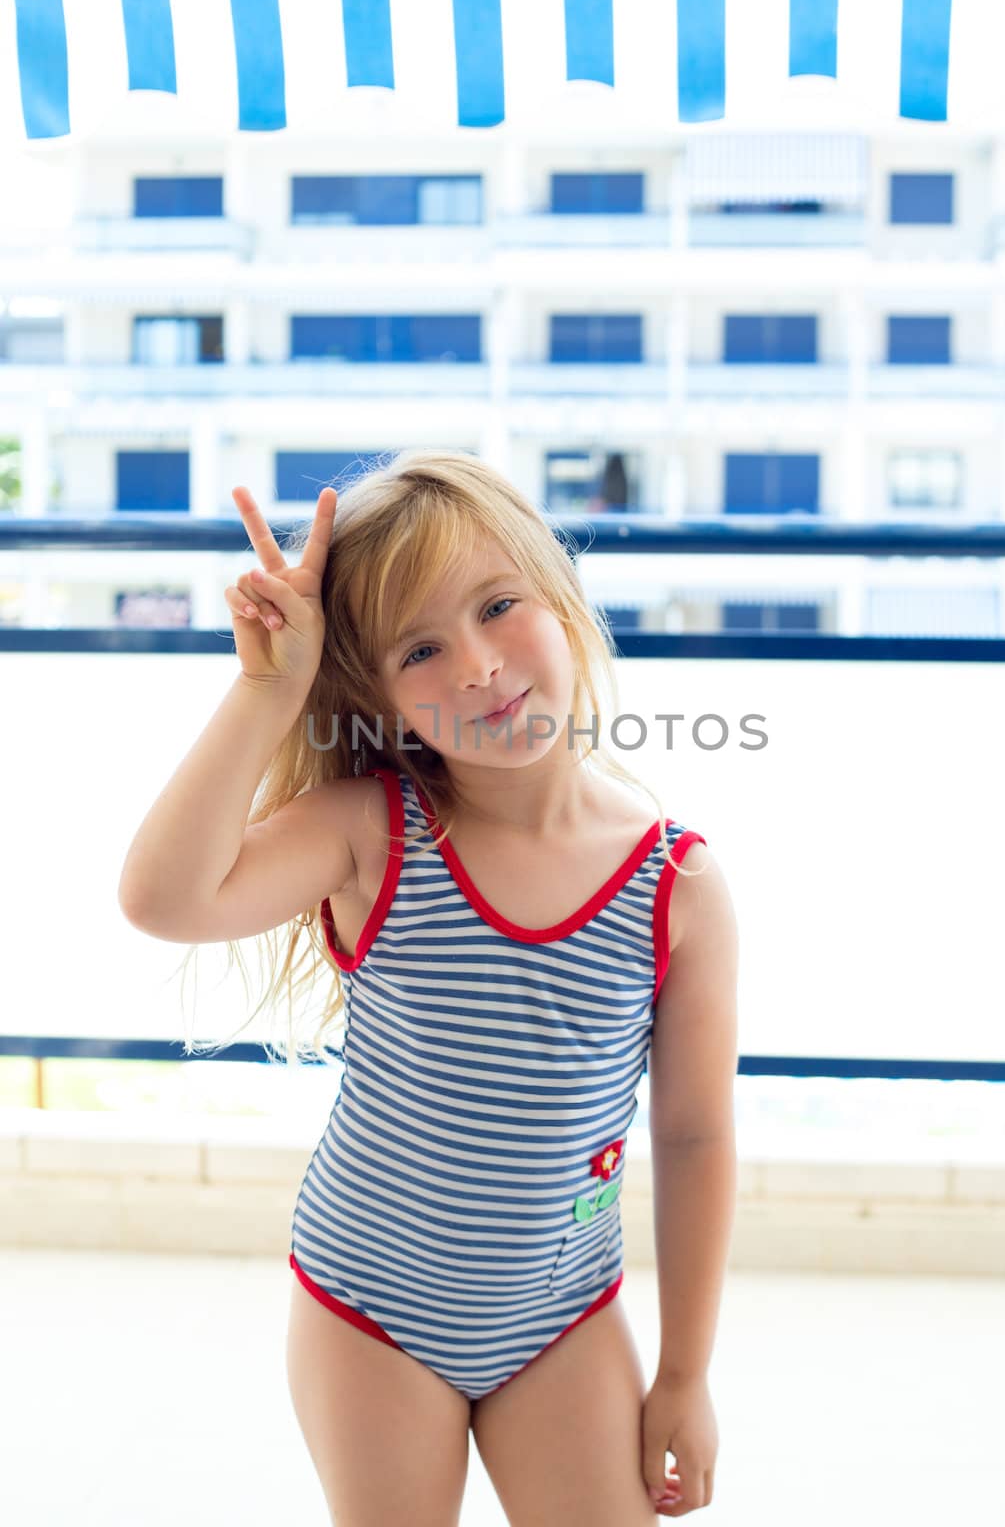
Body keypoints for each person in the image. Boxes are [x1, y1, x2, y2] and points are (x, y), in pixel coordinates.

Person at [117, 447, 739, 1526]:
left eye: (499, 605)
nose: (477, 667)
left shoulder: (674, 884)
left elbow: (691, 1135)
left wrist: (682, 1373)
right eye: (419, 648)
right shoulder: (371, 834)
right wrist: (269, 689)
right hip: (370, 1310)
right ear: (376, 698)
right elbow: (165, 898)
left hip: (559, 1313)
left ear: (559, 593)